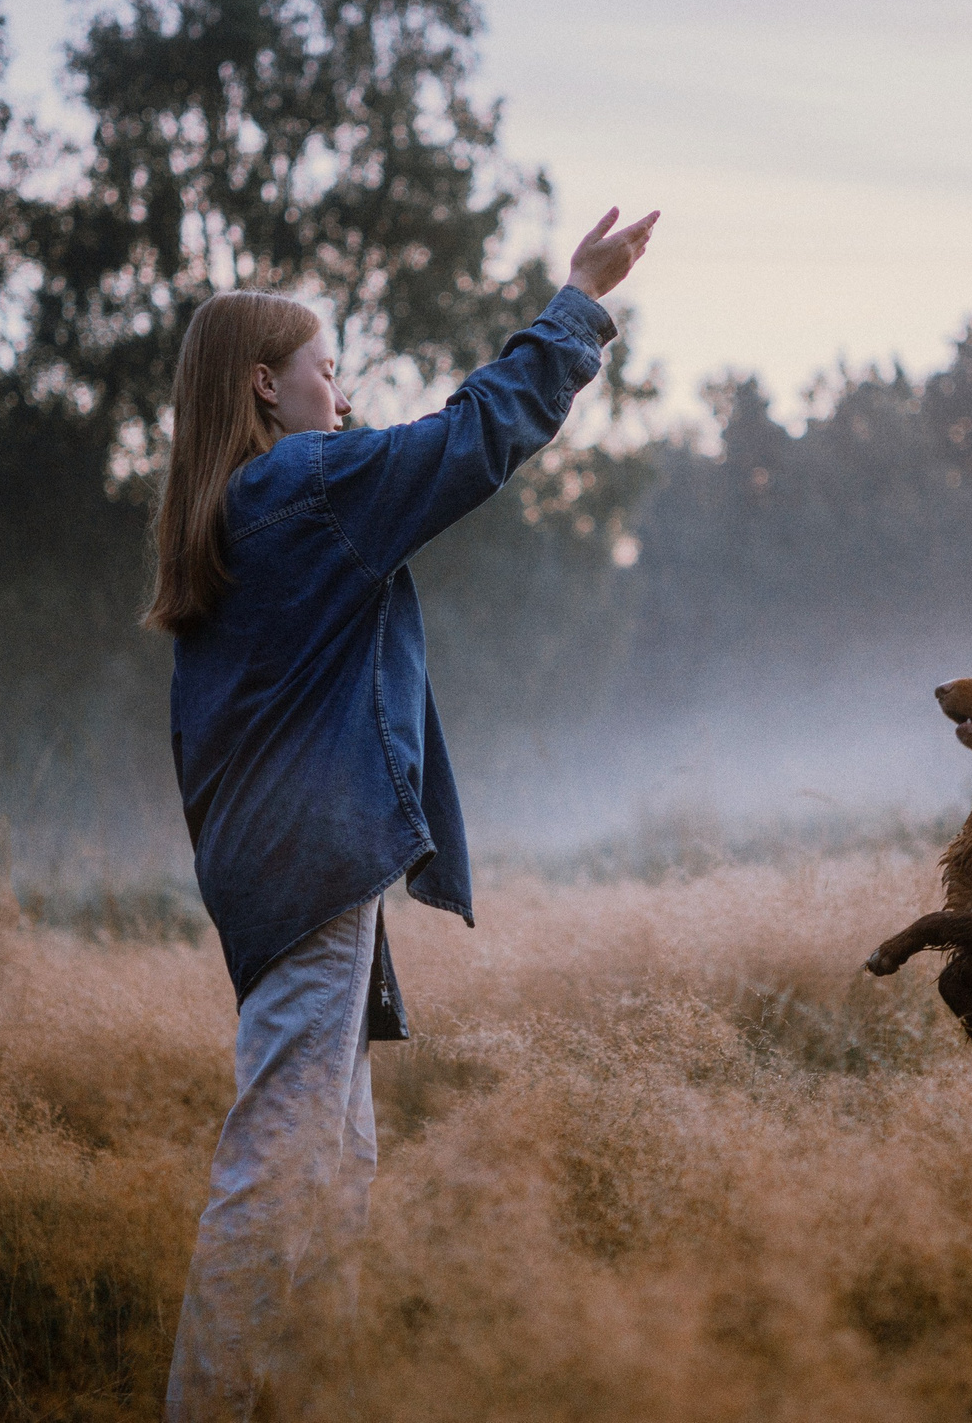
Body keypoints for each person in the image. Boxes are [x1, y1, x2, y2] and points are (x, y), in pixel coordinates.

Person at [153, 206, 659, 1421]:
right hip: (315, 865)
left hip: (287, 868)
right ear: (265, 387)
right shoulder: (305, 490)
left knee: (334, 1160)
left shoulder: (239, 513)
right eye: (327, 369)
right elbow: (474, 438)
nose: (344, 390)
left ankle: (305, 1395)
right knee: (279, 1163)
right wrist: (578, 301)